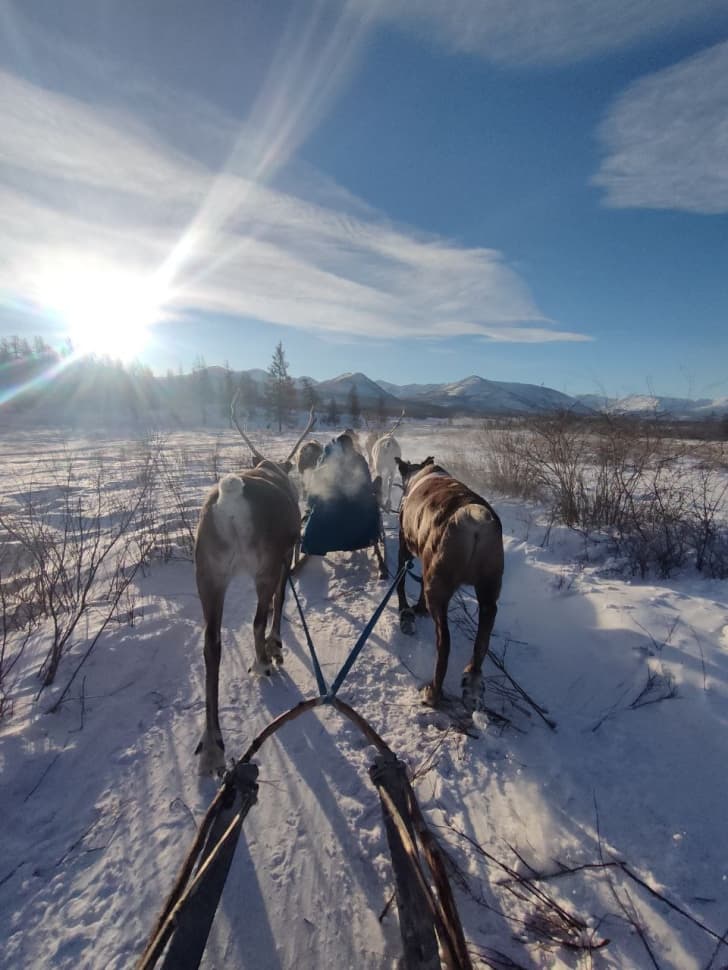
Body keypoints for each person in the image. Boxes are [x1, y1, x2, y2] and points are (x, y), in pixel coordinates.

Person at [301, 433, 382, 556]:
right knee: (371, 506)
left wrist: (310, 505)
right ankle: (371, 536)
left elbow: (315, 486)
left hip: (329, 510)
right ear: (351, 447)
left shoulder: (326, 460)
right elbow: (366, 484)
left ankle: (313, 542)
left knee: (318, 509)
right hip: (356, 513)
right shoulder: (359, 459)